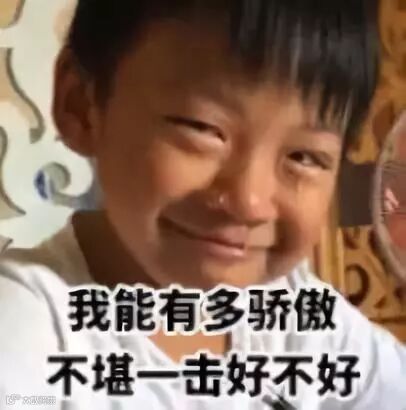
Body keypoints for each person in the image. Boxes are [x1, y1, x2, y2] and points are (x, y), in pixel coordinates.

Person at [0, 0, 405, 409]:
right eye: (202, 128)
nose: (249, 202)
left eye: (304, 157)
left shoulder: (292, 311)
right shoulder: (27, 328)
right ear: (81, 106)